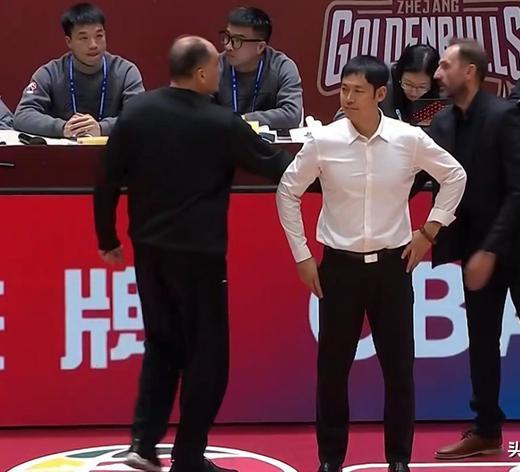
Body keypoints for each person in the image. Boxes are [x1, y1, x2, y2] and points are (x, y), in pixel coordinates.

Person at [93, 36, 291, 472]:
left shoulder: (136, 113)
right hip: (200, 259)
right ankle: (187, 455)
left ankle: (143, 444)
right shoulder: (220, 123)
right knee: (208, 360)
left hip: (150, 253)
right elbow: (279, 166)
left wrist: (107, 238)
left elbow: (106, 180)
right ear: (201, 74)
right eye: (216, 67)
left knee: (162, 346)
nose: (220, 72)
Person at [276, 55, 466, 472]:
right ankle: (330, 460)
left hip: (392, 268)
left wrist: (429, 230)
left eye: (358, 91)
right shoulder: (324, 141)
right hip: (338, 268)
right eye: (344, 89)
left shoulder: (408, 139)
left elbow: (455, 176)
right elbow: (287, 191)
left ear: (381, 94)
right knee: (332, 371)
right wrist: (302, 255)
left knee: (399, 370)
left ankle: (399, 459)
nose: (347, 98)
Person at [414, 38, 520, 472]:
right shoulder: (442, 123)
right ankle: (486, 430)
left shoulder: (505, 117)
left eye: (445, 65)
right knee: (481, 339)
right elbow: (427, 178)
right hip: (473, 247)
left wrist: (490, 249)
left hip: (519, 247)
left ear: (470, 71)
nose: (437, 74)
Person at [14, 3, 144, 138]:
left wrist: (103, 127)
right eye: (84, 38)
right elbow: (23, 115)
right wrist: (63, 127)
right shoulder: (50, 73)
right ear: (69, 42)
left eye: (99, 36)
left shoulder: (126, 71)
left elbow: (140, 116)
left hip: (113, 149)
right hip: (63, 149)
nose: (93, 45)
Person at [214, 6, 303, 130]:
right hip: (223, 139)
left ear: (260, 47)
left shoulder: (282, 67)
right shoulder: (215, 66)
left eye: (237, 40)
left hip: (266, 141)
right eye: (227, 37)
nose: (228, 46)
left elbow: (291, 115)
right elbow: (200, 112)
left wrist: (242, 121)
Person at [382, 44, 443, 124]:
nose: (413, 93)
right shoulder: (384, 80)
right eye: (408, 84)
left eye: (422, 87)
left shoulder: (443, 89)